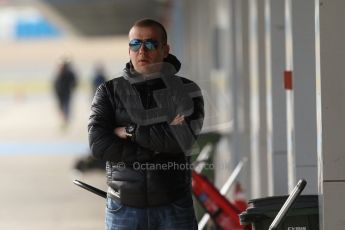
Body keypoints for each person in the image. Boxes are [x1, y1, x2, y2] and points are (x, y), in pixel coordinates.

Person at [88, 18, 204, 230]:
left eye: (150, 44)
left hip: (174, 206)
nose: (142, 51)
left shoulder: (187, 91)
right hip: (123, 208)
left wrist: (130, 131)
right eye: (135, 44)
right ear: (129, 49)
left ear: (165, 49)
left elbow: (179, 141)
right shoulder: (108, 92)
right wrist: (151, 153)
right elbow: (99, 144)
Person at [53, 59, 78, 128]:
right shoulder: (60, 73)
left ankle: (65, 120)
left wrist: (73, 88)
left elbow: (74, 82)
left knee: (66, 106)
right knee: (62, 106)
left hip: (66, 92)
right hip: (61, 92)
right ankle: (64, 120)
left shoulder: (69, 73)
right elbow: (55, 83)